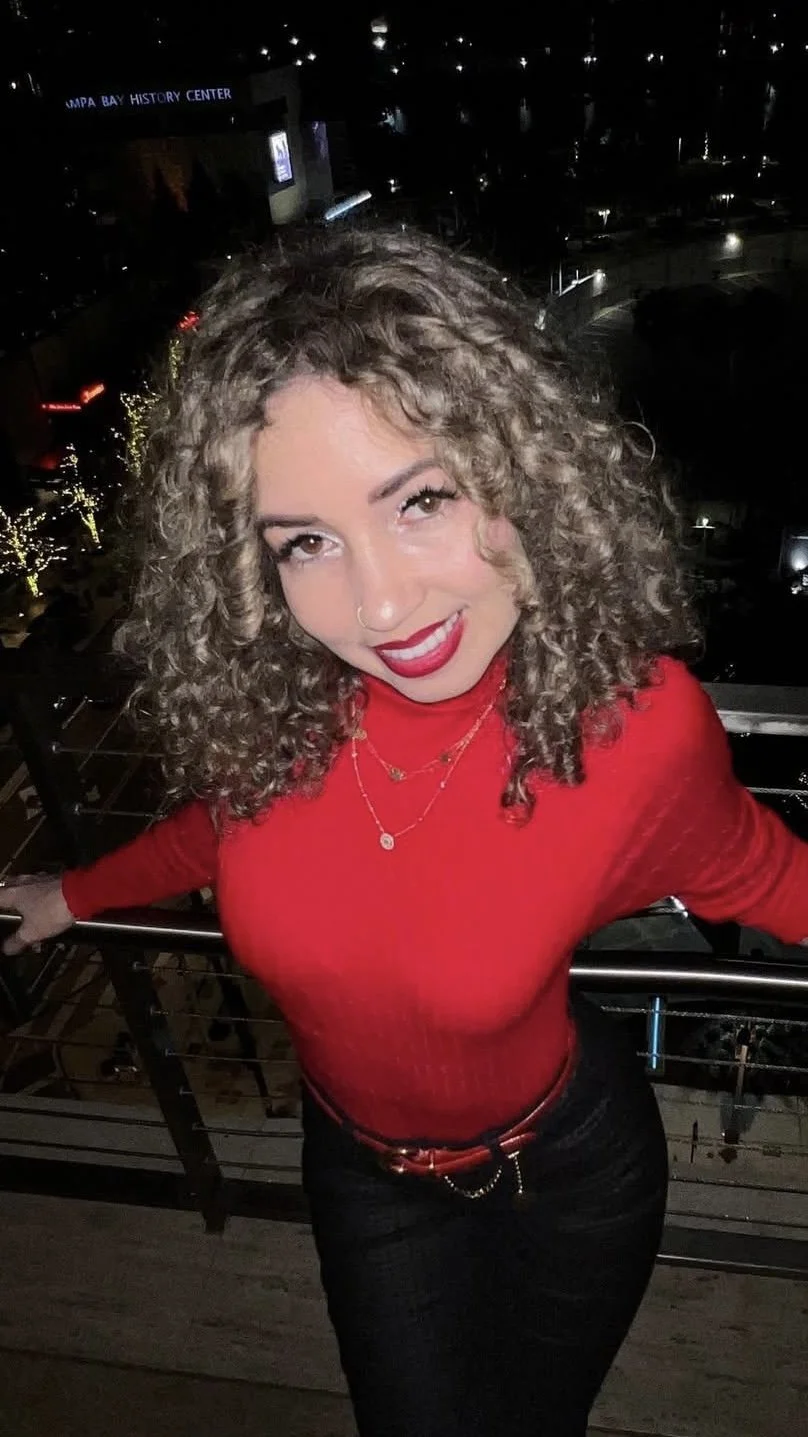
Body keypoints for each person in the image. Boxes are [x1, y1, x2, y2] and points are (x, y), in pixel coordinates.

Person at [3, 227, 808, 1437]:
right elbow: (212, 837)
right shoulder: (278, 716)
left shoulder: (631, 728)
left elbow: (764, 873)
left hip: (567, 1172)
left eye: (421, 500)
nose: (378, 605)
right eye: (306, 542)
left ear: (526, 473)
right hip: (357, 1171)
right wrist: (71, 895)